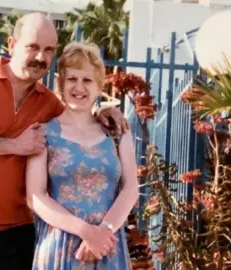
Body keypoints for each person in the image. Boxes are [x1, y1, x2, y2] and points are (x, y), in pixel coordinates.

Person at [0, 13, 129, 270]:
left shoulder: (49, 104)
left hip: (12, 235)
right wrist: (15, 145)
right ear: (12, 44)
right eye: (33, 46)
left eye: (49, 50)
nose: (41, 57)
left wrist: (103, 112)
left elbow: (77, 115)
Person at [26, 42, 139, 269]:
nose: (79, 87)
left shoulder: (117, 133)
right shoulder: (43, 133)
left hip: (108, 246)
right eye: (72, 79)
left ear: (99, 86)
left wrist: (103, 233)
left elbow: (131, 189)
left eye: (87, 80)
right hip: (60, 247)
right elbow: (35, 197)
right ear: (61, 84)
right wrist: (87, 232)